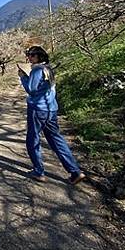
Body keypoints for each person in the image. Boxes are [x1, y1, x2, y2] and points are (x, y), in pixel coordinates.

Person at [17, 45, 86, 185]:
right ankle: (75, 172)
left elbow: (31, 89)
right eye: (28, 54)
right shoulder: (48, 69)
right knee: (56, 140)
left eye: (32, 55)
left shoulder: (37, 70)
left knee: (33, 139)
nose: (29, 57)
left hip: (37, 109)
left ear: (39, 57)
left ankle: (38, 171)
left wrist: (23, 78)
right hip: (51, 109)